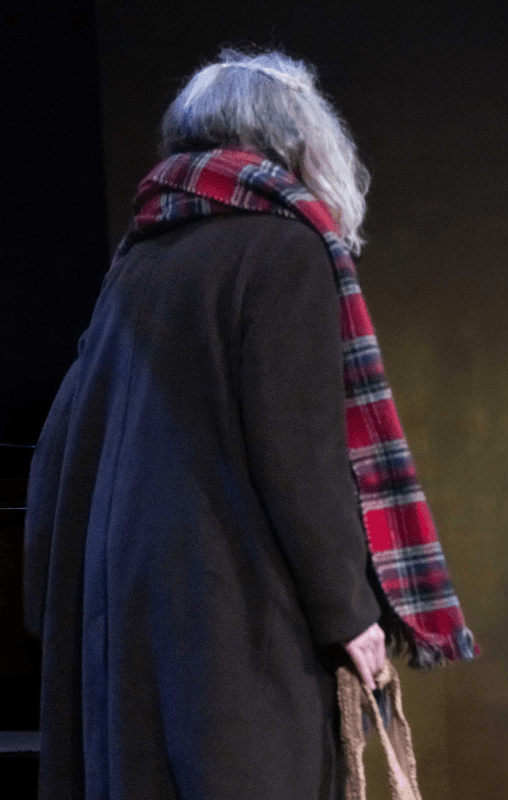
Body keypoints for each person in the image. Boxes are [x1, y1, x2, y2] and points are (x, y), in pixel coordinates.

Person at [24, 49, 474, 800]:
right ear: (296, 143)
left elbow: (57, 449)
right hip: (238, 631)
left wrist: (57, 612)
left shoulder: (138, 263)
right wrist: (348, 612)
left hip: (132, 635)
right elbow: (299, 457)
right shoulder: (284, 250)